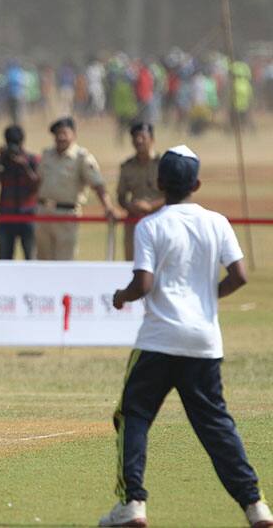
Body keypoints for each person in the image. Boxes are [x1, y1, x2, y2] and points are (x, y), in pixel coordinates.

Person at [101, 146, 273, 528]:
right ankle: (255, 505)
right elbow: (240, 276)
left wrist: (120, 297)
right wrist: (209, 297)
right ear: (196, 184)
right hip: (204, 342)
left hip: (159, 340)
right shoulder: (217, 222)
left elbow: (143, 283)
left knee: (133, 415)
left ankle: (133, 504)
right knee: (216, 426)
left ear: (160, 183)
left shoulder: (152, 225)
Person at [35, 117, 119, 260]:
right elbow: (39, 181)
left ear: (73, 134)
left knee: (64, 262)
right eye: (57, 134)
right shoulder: (47, 155)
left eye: (64, 133)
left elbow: (98, 184)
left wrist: (108, 207)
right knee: (43, 262)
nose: (60, 137)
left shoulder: (81, 157)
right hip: (44, 214)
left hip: (66, 215)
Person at [0, 125, 40, 260]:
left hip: (28, 215)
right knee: (4, 260)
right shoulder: (2, 161)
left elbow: (37, 186)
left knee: (31, 259)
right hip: (6, 215)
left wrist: (24, 167)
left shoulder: (32, 160)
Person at [116, 122, 164, 261]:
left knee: (159, 262)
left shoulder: (162, 165)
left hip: (159, 220)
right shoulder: (127, 166)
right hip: (134, 223)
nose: (139, 141)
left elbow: (172, 195)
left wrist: (151, 206)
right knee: (132, 263)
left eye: (143, 137)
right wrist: (130, 206)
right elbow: (121, 196)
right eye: (135, 137)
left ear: (152, 139)